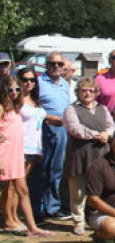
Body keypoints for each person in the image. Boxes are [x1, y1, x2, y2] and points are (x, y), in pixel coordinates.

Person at [63, 77, 115, 236]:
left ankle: (98, 219)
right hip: (80, 154)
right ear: (78, 92)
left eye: (91, 90)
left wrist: (108, 134)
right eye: (83, 90)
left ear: (96, 92)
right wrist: (96, 135)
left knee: (100, 190)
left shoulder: (103, 108)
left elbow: (111, 125)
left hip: (101, 154)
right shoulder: (71, 109)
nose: (87, 93)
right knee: (78, 191)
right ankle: (78, 222)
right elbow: (75, 128)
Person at [0, 76, 51, 237]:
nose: (14, 92)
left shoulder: (16, 107)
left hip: (16, 153)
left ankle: (27, 224)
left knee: (21, 189)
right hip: (5, 153)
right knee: (9, 188)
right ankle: (9, 220)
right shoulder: (2, 107)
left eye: (17, 89)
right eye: (10, 90)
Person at [30, 52, 71, 222]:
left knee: (56, 169)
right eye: (52, 63)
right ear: (46, 65)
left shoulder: (64, 84)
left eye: (59, 64)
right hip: (44, 129)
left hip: (62, 130)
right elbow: (31, 106)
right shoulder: (38, 82)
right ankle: (36, 209)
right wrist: (47, 117)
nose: (56, 67)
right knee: (40, 170)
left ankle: (52, 208)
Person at [17, 69, 46, 226]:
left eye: (32, 80)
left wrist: (40, 149)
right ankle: (11, 217)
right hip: (20, 148)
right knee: (17, 187)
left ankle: (11, 215)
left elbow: (38, 126)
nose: (29, 83)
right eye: (25, 79)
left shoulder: (36, 101)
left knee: (22, 185)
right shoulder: (16, 100)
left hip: (34, 148)